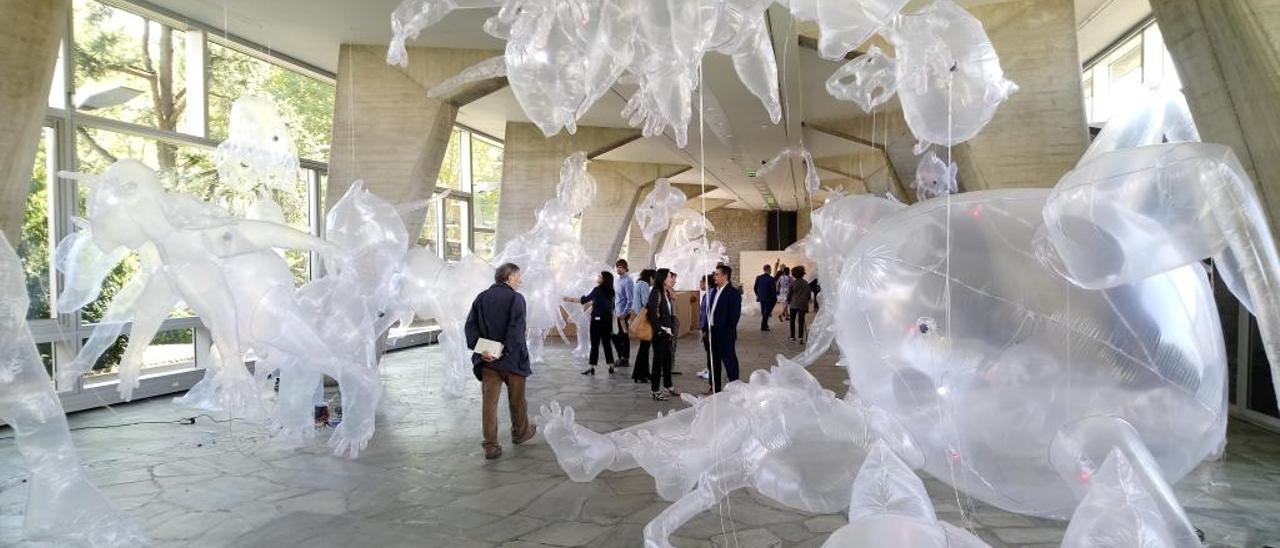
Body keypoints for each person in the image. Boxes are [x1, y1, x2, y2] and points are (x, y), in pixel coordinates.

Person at [464, 262, 535, 460]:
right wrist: (503, 350)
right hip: (512, 361)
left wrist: (484, 351)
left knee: (489, 405)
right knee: (517, 401)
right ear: (509, 277)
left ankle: (490, 445)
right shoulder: (516, 298)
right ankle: (520, 433)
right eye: (518, 276)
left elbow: (470, 327)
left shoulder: (481, 297)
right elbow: (516, 330)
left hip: (487, 361)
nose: (520, 280)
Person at [564, 271, 616, 375]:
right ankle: (611, 365)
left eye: (600, 276)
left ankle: (591, 367)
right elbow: (605, 304)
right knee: (606, 343)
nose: (598, 277)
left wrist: (568, 299)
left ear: (604, 279)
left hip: (597, 320)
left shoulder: (597, 290)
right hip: (607, 320)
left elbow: (585, 299)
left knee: (595, 343)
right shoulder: (611, 291)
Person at [708, 264, 742, 393]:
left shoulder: (733, 293)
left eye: (717, 274)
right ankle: (715, 389)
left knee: (729, 361)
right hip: (712, 332)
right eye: (714, 274)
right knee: (714, 362)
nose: (714, 276)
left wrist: (727, 332)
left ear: (725, 276)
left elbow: (734, 316)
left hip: (725, 334)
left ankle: (735, 387)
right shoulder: (715, 291)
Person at [647, 269, 678, 401]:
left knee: (666, 360)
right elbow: (652, 314)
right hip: (660, 333)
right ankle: (655, 390)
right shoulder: (655, 293)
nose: (672, 279)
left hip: (667, 332)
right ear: (663, 278)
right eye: (670, 277)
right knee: (658, 362)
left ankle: (668, 386)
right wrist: (659, 330)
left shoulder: (665, 292)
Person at [631, 269, 655, 384]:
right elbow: (647, 303)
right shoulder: (645, 285)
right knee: (644, 349)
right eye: (653, 279)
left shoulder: (638, 284)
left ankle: (643, 373)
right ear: (650, 277)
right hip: (645, 320)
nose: (653, 282)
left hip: (638, 317)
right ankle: (640, 374)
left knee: (643, 348)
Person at [612, 259, 634, 368]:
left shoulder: (628, 281)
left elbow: (630, 300)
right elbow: (617, 297)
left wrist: (624, 314)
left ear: (625, 268)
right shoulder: (617, 280)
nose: (618, 269)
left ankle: (625, 359)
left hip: (623, 315)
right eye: (617, 267)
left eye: (620, 267)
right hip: (617, 313)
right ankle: (621, 357)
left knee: (624, 336)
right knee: (616, 336)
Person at [788, 265, 812, 344]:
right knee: (801, 321)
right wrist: (807, 300)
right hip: (802, 304)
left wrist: (787, 302)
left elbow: (789, 294)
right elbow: (809, 294)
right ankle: (800, 338)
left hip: (793, 304)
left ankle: (792, 336)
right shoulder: (806, 283)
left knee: (792, 320)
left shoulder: (792, 283)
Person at [698, 273, 714, 381]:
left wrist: (703, 330)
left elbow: (706, 314)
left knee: (710, 352)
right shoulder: (710, 293)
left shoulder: (709, 295)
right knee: (709, 351)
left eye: (701, 281)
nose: (700, 283)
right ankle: (709, 369)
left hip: (708, 329)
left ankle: (710, 372)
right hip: (707, 328)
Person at [753, 264, 777, 331]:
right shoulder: (771, 279)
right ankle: (763, 326)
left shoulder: (758, 277)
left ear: (764, 270)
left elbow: (755, 288)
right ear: (769, 270)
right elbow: (773, 289)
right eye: (770, 269)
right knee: (766, 312)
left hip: (761, 297)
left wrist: (758, 294)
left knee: (763, 311)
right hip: (769, 298)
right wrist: (774, 298)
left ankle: (765, 324)